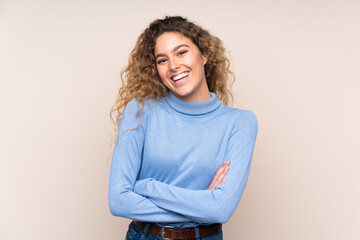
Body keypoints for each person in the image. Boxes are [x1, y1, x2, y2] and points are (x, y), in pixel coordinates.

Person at [108, 16, 258, 240]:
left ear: (204, 54)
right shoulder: (139, 111)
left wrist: (147, 187)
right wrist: (201, 205)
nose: (173, 66)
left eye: (181, 52)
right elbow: (119, 200)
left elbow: (221, 209)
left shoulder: (240, 123)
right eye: (162, 60)